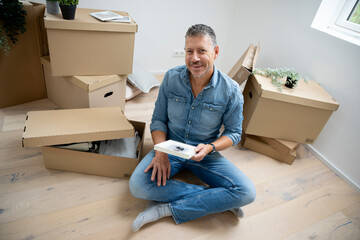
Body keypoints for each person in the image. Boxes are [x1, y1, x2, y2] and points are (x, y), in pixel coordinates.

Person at [129, 24, 256, 232]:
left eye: (201, 51)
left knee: (247, 192)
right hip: (169, 148)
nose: (194, 58)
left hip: (204, 153)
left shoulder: (231, 90)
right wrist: (160, 151)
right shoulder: (171, 78)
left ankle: (165, 209)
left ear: (215, 52)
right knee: (137, 185)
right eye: (189, 51)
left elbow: (233, 133)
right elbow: (158, 121)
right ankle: (218, 199)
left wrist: (210, 148)